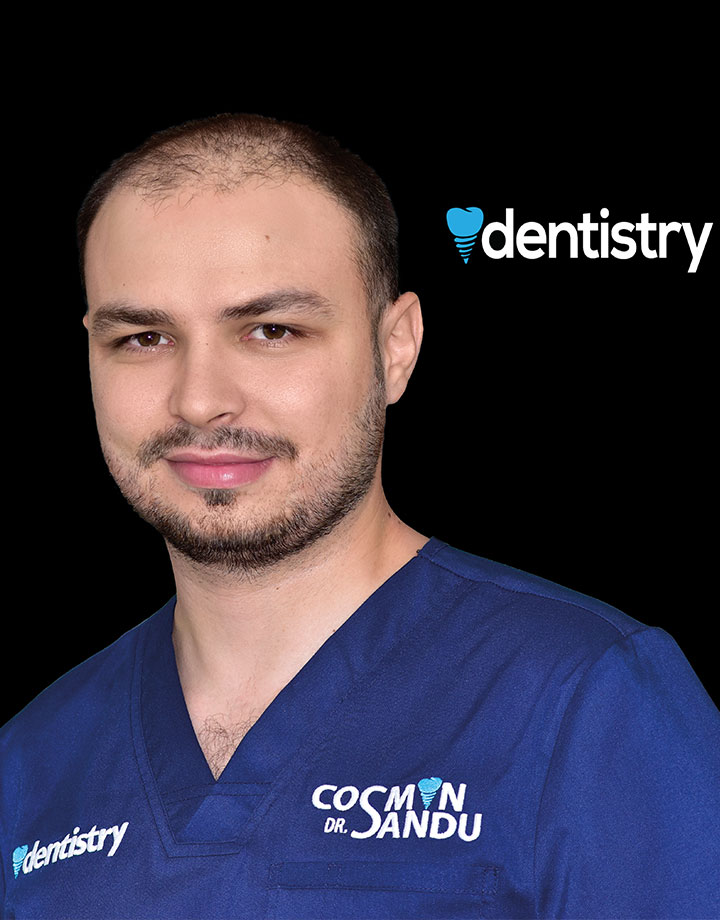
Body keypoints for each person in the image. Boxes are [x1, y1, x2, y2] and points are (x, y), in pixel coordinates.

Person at [1, 112, 718, 920]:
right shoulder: (30, 762)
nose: (199, 400)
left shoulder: (586, 700)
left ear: (395, 349)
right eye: (142, 338)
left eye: (271, 330)